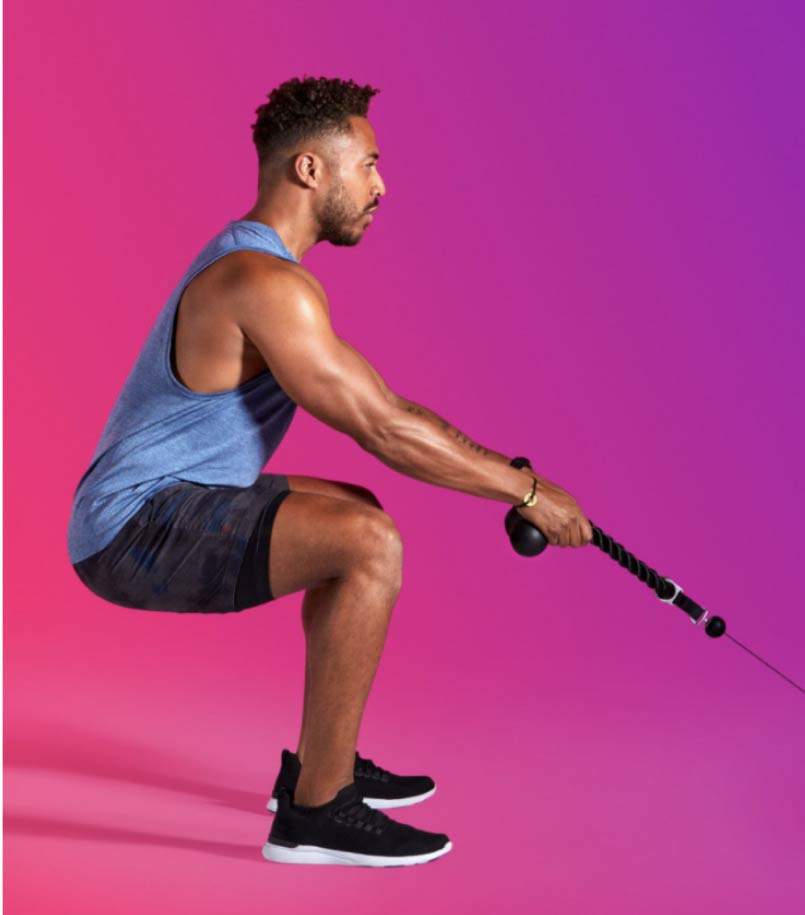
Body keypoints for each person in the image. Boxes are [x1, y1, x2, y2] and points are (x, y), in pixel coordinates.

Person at [67, 75, 594, 867]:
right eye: (369, 165)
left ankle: (323, 760)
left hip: (159, 502)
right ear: (311, 170)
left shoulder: (260, 266)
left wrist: (499, 469)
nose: (381, 185)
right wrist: (523, 490)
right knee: (366, 543)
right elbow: (382, 425)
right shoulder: (264, 283)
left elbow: (383, 407)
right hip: (131, 530)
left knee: (353, 505)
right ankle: (316, 812)